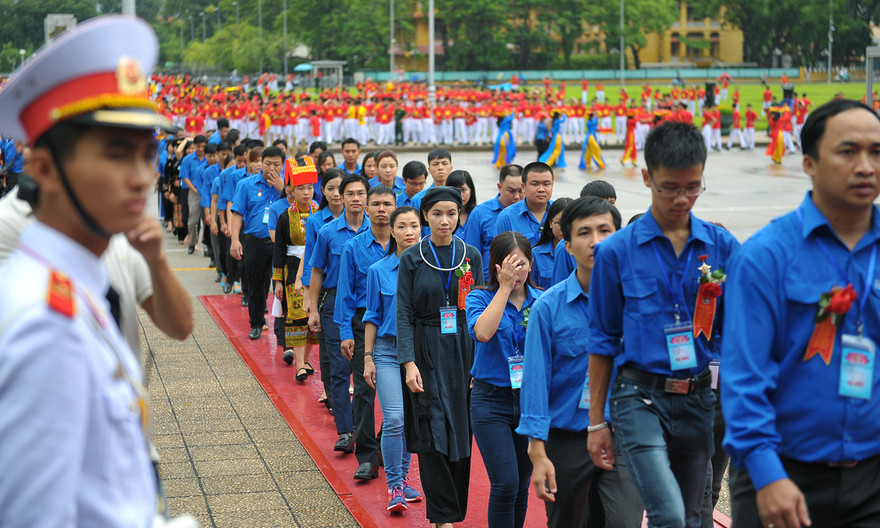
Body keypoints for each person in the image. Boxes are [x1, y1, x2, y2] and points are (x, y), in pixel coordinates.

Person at [0, 15, 180, 526]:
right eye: (116, 155)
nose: (142, 178)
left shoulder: (78, 284)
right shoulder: (45, 322)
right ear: (43, 168)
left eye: (148, 154)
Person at [722, 99, 880, 528]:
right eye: (848, 151)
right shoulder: (766, 257)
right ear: (809, 162)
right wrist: (767, 473)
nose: (866, 166)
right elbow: (743, 376)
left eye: (876, 152)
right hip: (781, 476)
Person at [588, 121, 740, 528]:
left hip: (698, 398)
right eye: (670, 187)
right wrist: (597, 422)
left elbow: (745, 328)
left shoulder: (721, 247)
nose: (682, 199)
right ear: (647, 177)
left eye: (693, 187)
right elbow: (602, 341)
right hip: (638, 398)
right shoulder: (615, 252)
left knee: (691, 514)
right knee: (668, 512)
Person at [518, 196, 644, 528]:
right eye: (584, 233)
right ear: (569, 246)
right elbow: (536, 381)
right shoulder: (548, 308)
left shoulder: (639, 302)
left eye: (605, 231)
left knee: (624, 523)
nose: (596, 241)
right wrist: (538, 452)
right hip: (568, 439)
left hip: (624, 436)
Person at [397, 186, 484, 527]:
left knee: (461, 429)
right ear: (425, 216)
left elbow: (480, 310)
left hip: (464, 349)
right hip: (426, 348)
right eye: (437, 214)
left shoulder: (470, 255)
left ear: (460, 215)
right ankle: (442, 516)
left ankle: (452, 510)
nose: (444, 221)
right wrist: (408, 363)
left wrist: (481, 363)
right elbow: (404, 313)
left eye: (451, 213)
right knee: (432, 429)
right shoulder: (412, 257)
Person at [466, 231, 542, 528]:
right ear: (496, 266)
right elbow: (483, 333)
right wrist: (504, 288)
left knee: (522, 484)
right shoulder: (479, 297)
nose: (516, 272)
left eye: (521, 264)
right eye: (509, 265)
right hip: (490, 400)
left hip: (529, 399)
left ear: (531, 264)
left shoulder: (542, 301)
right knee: (505, 482)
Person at [363, 206, 425, 512]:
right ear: (392, 231)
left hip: (420, 353)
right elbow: (372, 316)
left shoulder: (430, 270)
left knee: (412, 418)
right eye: (402, 226)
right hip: (387, 352)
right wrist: (368, 357)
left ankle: (404, 477)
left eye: (414, 225)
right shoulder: (378, 271)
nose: (409, 232)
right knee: (395, 418)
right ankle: (395, 485)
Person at [334, 184, 396, 479]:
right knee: (363, 390)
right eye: (377, 204)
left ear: (396, 207)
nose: (382, 209)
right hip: (362, 324)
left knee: (401, 390)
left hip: (397, 322)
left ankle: (385, 442)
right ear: (367, 209)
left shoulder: (407, 246)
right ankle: (368, 456)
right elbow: (345, 293)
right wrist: (345, 332)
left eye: (388, 204)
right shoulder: (353, 247)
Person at [308, 174, 371, 452]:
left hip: (370, 305)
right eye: (350, 194)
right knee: (339, 367)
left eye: (360, 193)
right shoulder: (327, 233)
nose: (355, 198)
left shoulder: (379, 230)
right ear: (341, 198)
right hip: (335, 303)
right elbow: (317, 271)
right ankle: (346, 430)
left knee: (369, 370)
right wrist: (313, 308)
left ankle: (368, 431)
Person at [230, 145, 286, 339]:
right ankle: (256, 322)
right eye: (268, 163)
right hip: (255, 242)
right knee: (256, 285)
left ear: (283, 165)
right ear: (261, 163)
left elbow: (298, 206)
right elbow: (237, 213)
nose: (272, 168)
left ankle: (282, 328)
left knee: (282, 285)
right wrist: (235, 240)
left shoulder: (288, 186)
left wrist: (283, 189)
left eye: (276, 164)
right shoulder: (246, 185)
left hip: (281, 244)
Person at [272, 155, 319, 377]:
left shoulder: (321, 214)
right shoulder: (284, 217)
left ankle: (307, 359)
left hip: (317, 269)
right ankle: (299, 363)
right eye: (301, 188)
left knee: (314, 316)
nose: (306, 192)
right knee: (297, 316)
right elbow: (279, 250)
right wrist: (278, 281)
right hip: (292, 271)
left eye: (310, 187)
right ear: (292, 189)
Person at [303, 168, 345, 412]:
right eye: (331, 188)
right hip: (326, 292)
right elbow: (311, 262)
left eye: (341, 188)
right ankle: (331, 393)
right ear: (323, 191)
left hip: (352, 294)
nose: (336, 193)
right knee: (328, 349)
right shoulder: (316, 221)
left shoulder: (361, 219)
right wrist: (309, 299)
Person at [461, 164, 524, 282]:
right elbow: (470, 256)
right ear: (499, 187)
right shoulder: (480, 214)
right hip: (489, 284)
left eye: (521, 191)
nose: (516, 196)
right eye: (511, 191)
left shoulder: (528, 214)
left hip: (521, 283)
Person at [551, 180, 617, 287]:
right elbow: (560, 287)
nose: (607, 208)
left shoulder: (622, 239)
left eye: (611, 202)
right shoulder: (566, 246)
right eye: (599, 203)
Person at [495, 161, 554, 245]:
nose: (541, 189)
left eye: (546, 184)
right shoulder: (506, 217)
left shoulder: (561, 213)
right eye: (535, 184)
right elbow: (499, 251)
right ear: (523, 187)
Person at [531, 198, 572, 290]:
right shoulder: (536, 254)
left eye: (570, 223)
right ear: (550, 222)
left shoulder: (582, 254)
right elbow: (531, 289)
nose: (565, 229)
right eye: (560, 223)